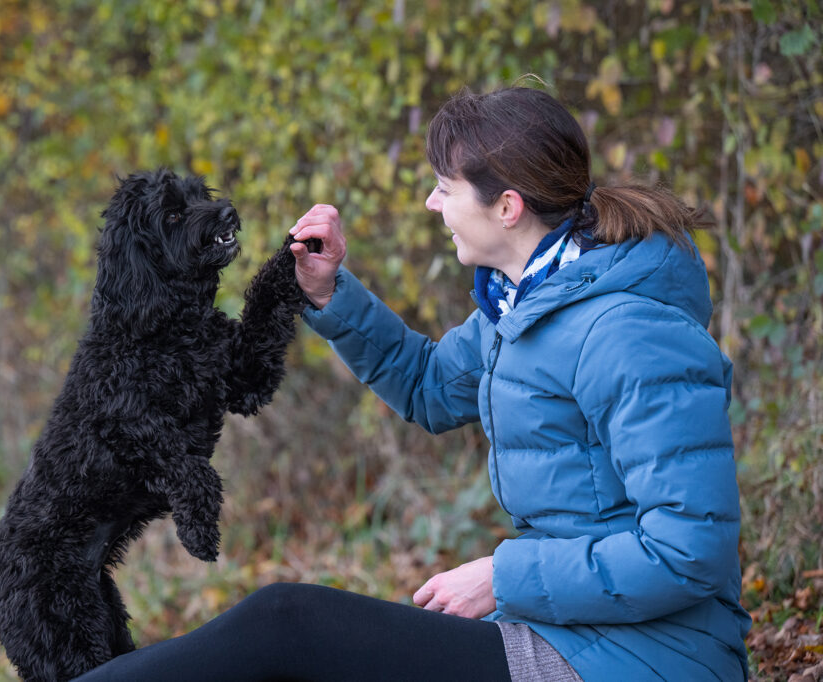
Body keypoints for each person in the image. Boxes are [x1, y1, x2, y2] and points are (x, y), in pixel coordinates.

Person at [75, 87, 750, 681]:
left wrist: (502, 576)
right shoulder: (525, 304)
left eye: (446, 188)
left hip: (642, 660)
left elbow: (689, 549)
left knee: (287, 622)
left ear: (507, 207)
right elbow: (429, 385)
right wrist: (331, 291)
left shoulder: (627, 333)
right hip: (569, 632)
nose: (432, 203)